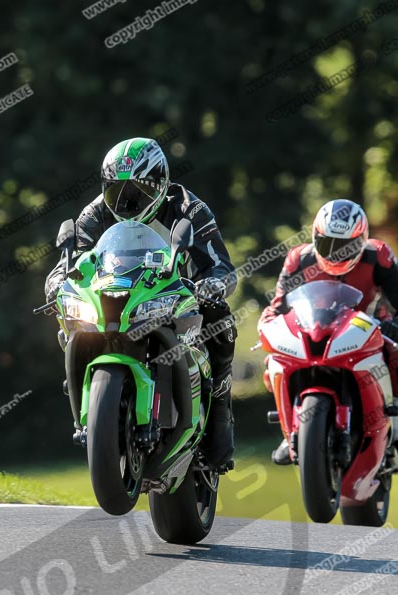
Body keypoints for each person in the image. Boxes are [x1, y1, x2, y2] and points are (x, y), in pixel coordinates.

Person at [45, 136, 238, 471]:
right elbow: (72, 263)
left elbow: (221, 265)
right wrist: (56, 281)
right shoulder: (94, 213)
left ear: (160, 183)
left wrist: (214, 283)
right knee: (69, 321)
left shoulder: (189, 208)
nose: (126, 202)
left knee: (221, 319)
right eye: (116, 191)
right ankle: (91, 409)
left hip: (178, 294)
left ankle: (219, 405)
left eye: (137, 191)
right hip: (117, 297)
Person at [260, 198, 398, 465]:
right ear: (315, 237)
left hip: (365, 327)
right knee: (273, 361)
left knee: (394, 354)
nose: (336, 253)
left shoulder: (378, 255)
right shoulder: (299, 259)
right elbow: (278, 306)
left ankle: (394, 417)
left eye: (346, 246)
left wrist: (393, 324)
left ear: (362, 240)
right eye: (328, 244)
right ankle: (290, 428)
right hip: (315, 329)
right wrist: (268, 324)